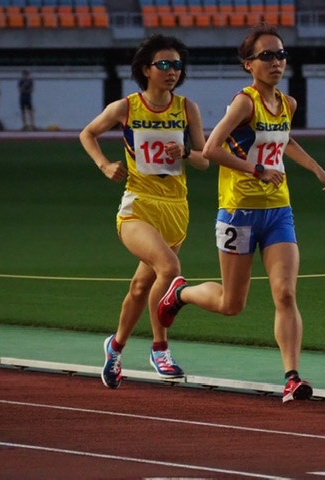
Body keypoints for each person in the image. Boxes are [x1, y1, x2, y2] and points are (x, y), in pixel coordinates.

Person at [157, 23, 325, 404]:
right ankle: (181, 294)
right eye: (267, 56)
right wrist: (256, 170)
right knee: (231, 305)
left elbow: (283, 140)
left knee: (285, 293)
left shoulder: (286, 104)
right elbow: (210, 149)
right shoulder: (245, 103)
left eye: (281, 54)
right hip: (238, 213)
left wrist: (316, 169)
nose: (276, 62)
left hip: (278, 212)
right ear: (248, 64)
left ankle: (292, 378)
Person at [79, 34, 208, 389]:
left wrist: (183, 152)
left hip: (175, 209)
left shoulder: (187, 109)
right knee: (170, 268)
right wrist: (104, 165)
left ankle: (115, 346)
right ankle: (160, 348)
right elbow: (87, 134)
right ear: (146, 69)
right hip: (137, 205)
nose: (171, 72)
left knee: (141, 287)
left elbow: (204, 161)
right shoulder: (127, 107)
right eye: (164, 64)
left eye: (177, 65)